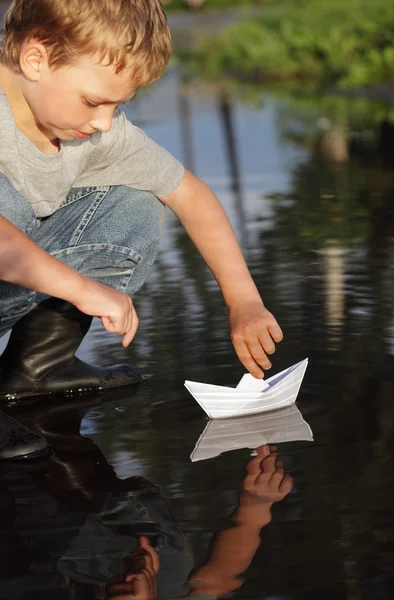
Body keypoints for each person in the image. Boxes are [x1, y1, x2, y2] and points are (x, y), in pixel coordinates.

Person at [0, 0, 283, 406]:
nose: (102, 122)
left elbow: (189, 194)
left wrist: (244, 302)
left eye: (118, 105)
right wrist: (82, 289)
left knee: (137, 204)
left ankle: (37, 369)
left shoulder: (93, 129)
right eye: (93, 101)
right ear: (35, 58)